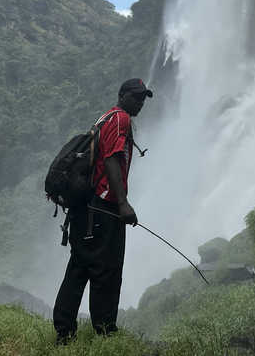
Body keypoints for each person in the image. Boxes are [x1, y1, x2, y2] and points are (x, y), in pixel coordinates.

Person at [52, 77, 152, 343]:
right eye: (136, 97)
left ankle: (64, 332)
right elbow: (111, 160)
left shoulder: (105, 118)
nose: (140, 102)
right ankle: (105, 331)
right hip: (104, 207)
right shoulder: (121, 119)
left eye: (143, 98)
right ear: (122, 95)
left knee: (79, 267)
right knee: (107, 270)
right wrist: (123, 204)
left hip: (85, 208)